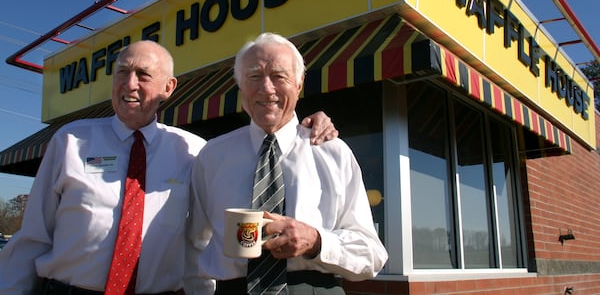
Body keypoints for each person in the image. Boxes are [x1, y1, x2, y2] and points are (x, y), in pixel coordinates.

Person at [0, 40, 338, 295]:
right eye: (122, 72)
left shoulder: (194, 150)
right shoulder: (70, 140)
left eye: (143, 75)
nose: (130, 84)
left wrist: (307, 124)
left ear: (168, 88)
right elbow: (33, 237)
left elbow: (201, 241)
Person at [186, 33, 388, 294]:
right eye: (254, 77)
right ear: (240, 86)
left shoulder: (333, 153)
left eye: (279, 76)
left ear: (299, 83)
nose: (266, 88)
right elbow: (194, 243)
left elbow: (372, 255)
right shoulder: (212, 156)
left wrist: (317, 242)